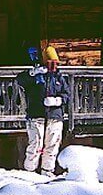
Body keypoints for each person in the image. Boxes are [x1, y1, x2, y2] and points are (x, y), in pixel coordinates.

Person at [17, 44, 70, 175]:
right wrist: (32, 73)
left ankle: (47, 170)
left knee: (52, 144)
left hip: (55, 115)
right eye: (51, 62)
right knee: (36, 144)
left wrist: (58, 100)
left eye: (56, 63)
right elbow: (20, 80)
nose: (54, 65)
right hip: (36, 114)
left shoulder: (59, 78)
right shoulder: (36, 76)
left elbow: (67, 94)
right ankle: (30, 170)